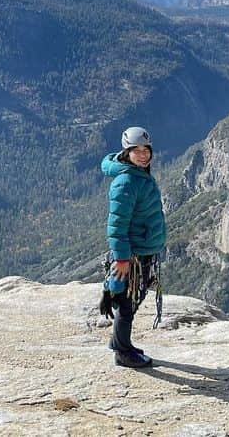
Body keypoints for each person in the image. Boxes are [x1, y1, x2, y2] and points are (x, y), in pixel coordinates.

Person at [99, 126, 167, 368]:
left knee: (132, 300)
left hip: (141, 251)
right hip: (133, 255)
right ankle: (122, 352)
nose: (142, 154)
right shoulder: (127, 181)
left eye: (145, 150)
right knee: (128, 303)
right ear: (126, 152)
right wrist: (122, 259)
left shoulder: (138, 175)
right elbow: (116, 226)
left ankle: (121, 342)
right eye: (135, 150)